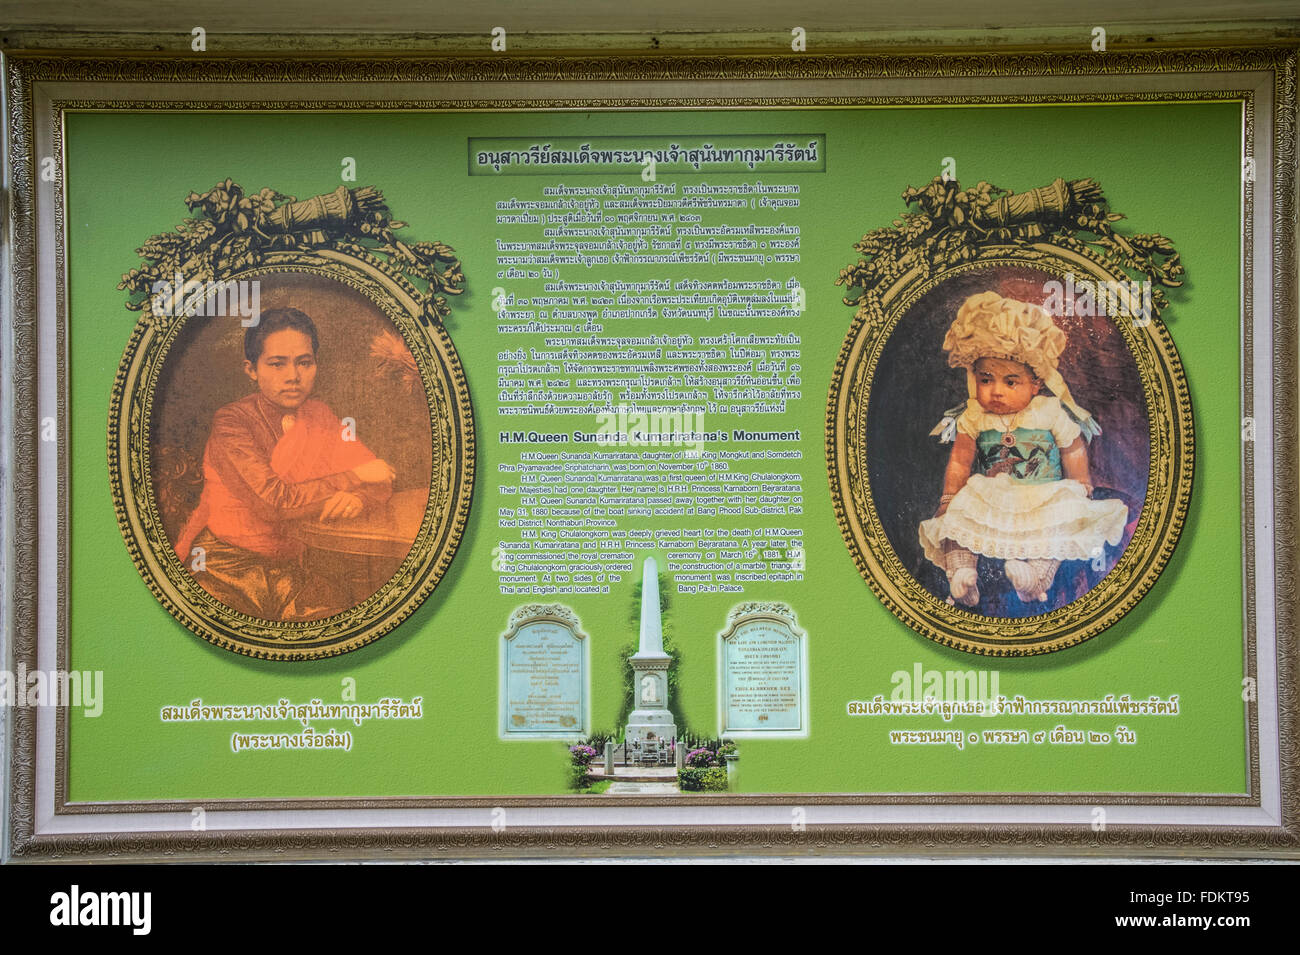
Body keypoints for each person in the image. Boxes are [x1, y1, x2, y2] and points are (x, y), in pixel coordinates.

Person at [173, 307, 396, 621]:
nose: (293, 376)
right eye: (277, 364)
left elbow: (381, 477)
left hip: (292, 572)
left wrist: (357, 496)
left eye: (304, 362)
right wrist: (354, 477)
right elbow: (274, 503)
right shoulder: (232, 423)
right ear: (251, 369)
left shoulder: (320, 415)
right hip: (224, 569)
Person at [918, 291, 1128, 609]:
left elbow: (1072, 447)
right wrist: (949, 497)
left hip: (1043, 494)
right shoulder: (974, 414)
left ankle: (1034, 579)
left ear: (1036, 384)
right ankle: (962, 575)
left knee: (1058, 528)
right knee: (955, 523)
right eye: (986, 379)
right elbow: (961, 460)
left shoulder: (1048, 411)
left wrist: (1081, 481)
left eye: (1010, 382)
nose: (997, 391)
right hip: (989, 495)